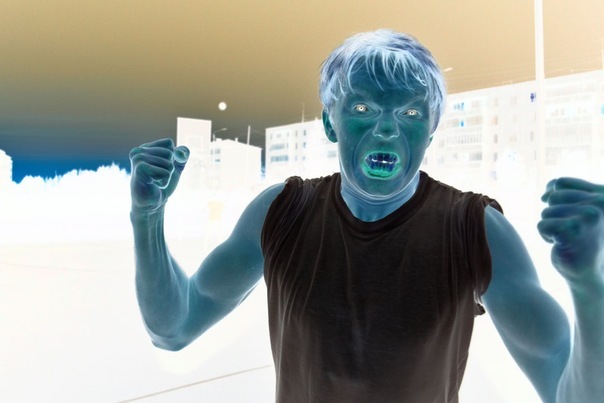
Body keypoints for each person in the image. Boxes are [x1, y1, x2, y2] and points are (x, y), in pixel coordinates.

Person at [129, 29, 604, 402]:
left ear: (431, 130)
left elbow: (571, 391)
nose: (386, 128)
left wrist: (590, 286)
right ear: (329, 122)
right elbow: (174, 327)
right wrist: (147, 216)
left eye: (410, 114)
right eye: (362, 107)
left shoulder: (474, 229)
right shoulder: (281, 212)